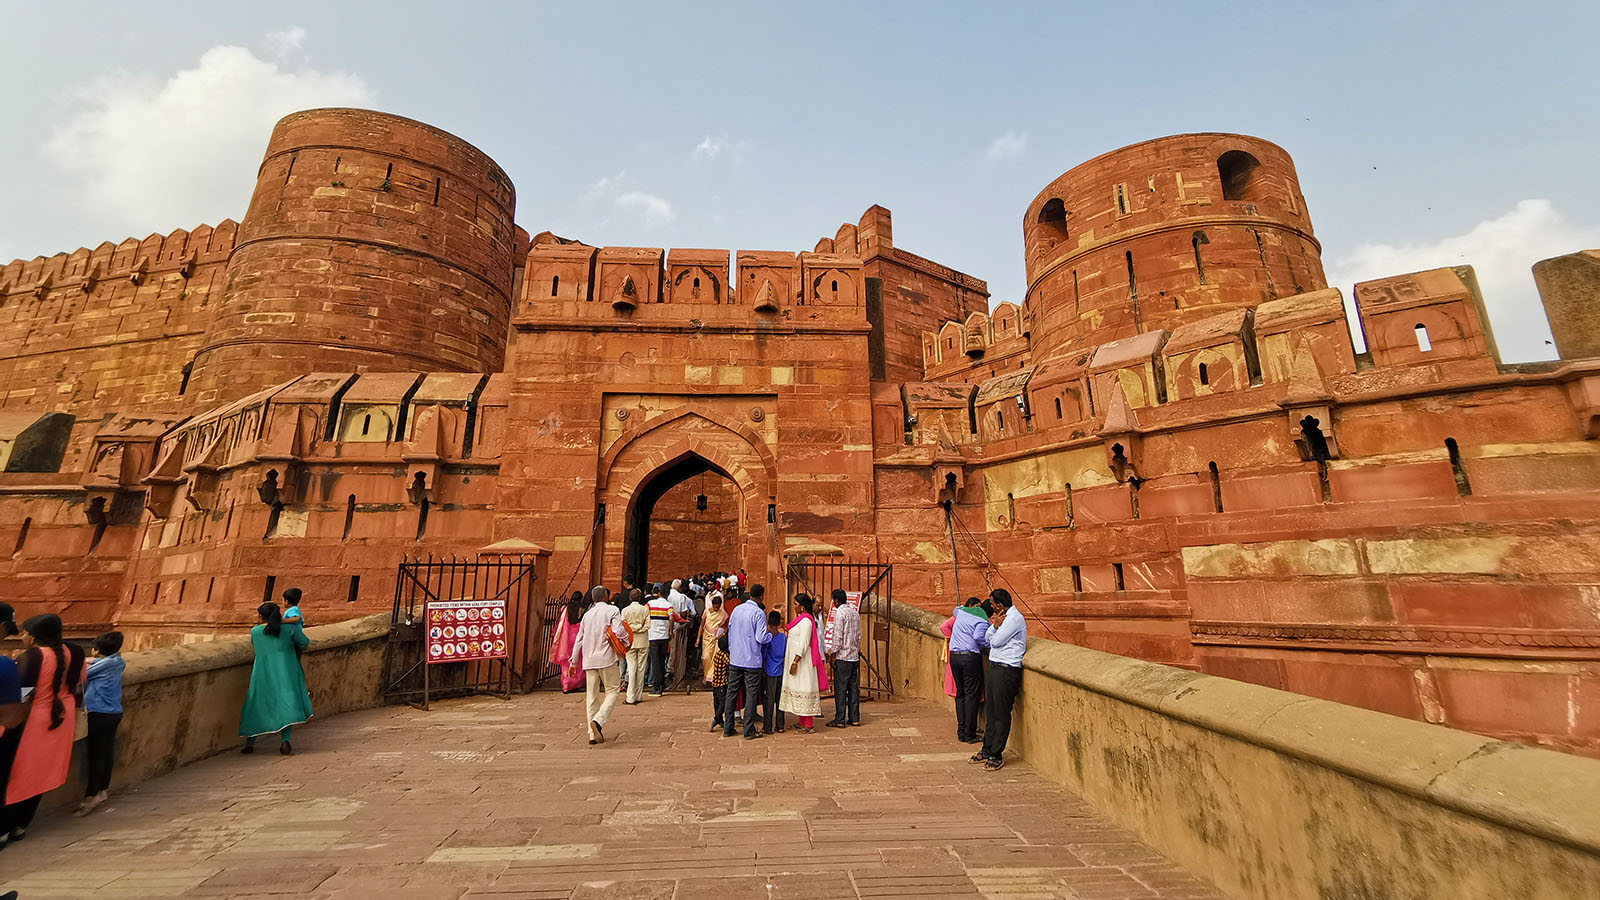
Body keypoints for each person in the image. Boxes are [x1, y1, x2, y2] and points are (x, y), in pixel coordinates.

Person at [2, 614, 87, 843]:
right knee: (39, 774)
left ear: (34, 636)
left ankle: (3, 828)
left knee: (16, 772)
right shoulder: (76, 652)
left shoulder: (34, 657)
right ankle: (20, 825)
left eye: (25, 633)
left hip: (33, 720)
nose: (22, 637)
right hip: (61, 718)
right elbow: (79, 686)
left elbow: (21, 695)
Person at [239, 602, 312, 755]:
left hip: (262, 672)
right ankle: (285, 740)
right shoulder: (288, 629)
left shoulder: (255, 632)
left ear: (261, 616)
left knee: (256, 704)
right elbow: (304, 642)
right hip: (286, 670)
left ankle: (250, 743)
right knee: (286, 703)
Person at [974, 589, 1026, 771]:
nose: (992, 607)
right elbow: (988, 638)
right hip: (996, 666)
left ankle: (996, 753)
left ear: (1000, 605)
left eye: (993, 604)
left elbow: (995, 642)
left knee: (1002, 713)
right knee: (991, 710)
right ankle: (987, 748)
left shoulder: (1013, 619)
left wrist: (997, 629)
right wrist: (995, 626)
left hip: (1007, 668)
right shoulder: (1003, 619)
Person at [77, 630, 126, 816]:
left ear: (97, 651)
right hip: (114, 712)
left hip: (98, 713)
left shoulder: (101, 665)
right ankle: (103, 789)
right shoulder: (117, 662)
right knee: (106, 752)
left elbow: (81, 675)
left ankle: (92, 794)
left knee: (95, 755)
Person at [575, 585, 627, 745]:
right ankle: (598, 721)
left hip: (589, 660)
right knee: (612, 690)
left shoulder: (587, 615)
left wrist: (573, 660)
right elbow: (618, 631)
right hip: (606, 658)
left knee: (591, 696)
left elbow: (579, 638)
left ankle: (592, 734)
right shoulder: (612, 611)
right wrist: (625, 641)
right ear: (605, 596)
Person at [721, 582, 770, 739]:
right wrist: (771, 635)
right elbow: (761, 638)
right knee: (751, 694)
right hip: (751, 660)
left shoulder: (737, 610)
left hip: (736, 658)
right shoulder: (758, 613)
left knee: (732, 692)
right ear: (761, 596)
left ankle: (728, 727)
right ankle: (748, 730)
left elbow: (730, 631)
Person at [779, 594, 829, 733]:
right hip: (797, 662)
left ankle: (808, 724)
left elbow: (804, 643)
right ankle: (802, 721)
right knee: (798, 689)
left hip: (803, 663)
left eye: (795, 604)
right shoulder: (799, 620)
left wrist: (795, 661)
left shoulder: (806, 622)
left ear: (801, 606)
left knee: (804, 688)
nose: (793, 606)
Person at [947, 598, 990, 744]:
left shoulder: (962, 612)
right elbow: (979, 637)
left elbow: (956, 609)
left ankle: (961, 731)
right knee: (972, 695)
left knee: (960, 694)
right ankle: (969, 734)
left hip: (954, 656)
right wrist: (989, 644)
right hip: (970, 657)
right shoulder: (982, 620)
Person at [825, 589, 862, 728]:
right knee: (853, 688)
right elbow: (859, 635)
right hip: (853, 656)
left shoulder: (840, 613)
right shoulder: (854, 613)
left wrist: (832, 653)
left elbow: (838, 636)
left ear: (836, 600)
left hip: (843, 657)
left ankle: (840, 718)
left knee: (840, 688)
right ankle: (854, 717)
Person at [645, 587, 685, 695]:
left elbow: (644, 614)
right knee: (662, 661)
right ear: (667, 596)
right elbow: (672, 617)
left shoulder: (650, 604)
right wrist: (670, 631)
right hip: (664, 636)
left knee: (655, 662)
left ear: (658, 594)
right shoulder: (668, 605)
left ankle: (656, 687)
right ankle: (661, 684)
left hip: (653, 636)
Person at [550, 591, 585, 693]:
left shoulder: (565, 609)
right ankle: (576, 682)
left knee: (566, 662)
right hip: (578, 636)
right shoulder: (581, 610)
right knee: (578, 661)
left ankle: (566, 683)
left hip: (567, 637)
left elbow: (561, 623)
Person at [620, 589, 649, 705]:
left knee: (631, 668)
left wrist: (632, 629)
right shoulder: (645, 610)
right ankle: (638, 695)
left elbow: (623, 626)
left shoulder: (625, 611)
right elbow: (648, 625)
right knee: (641, 668)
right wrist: (639, 629)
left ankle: (630, 696)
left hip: (630, 640)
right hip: (642, 640)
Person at [760, 610, 787, 734]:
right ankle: (780, 725)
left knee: (769, 700)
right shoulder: (783, 637)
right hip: (780, 671)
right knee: (780, 699)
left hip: (769, 671)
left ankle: (768, 726)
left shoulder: (767, 638)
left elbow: (764, 656)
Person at [699, 593, 727, 683]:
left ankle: (712, 677)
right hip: (707, 638)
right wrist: (698, 638)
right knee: (706, 657)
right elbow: (701, 625)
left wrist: (721, 635)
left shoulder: (723, 614)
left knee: (715, 658)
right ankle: (705, 675)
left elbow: (726, 627)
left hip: (717, 639)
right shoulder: (706, 612)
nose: (716, 609)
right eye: (715, 607)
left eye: (718, 607)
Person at [707, 628, 730, 732]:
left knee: (716, 702)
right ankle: (716, 718)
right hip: (722, 683)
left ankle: (720, 720)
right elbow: (730, 664)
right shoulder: (725, 656)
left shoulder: (717, 654)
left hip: (715, 683)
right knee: (723, 702)